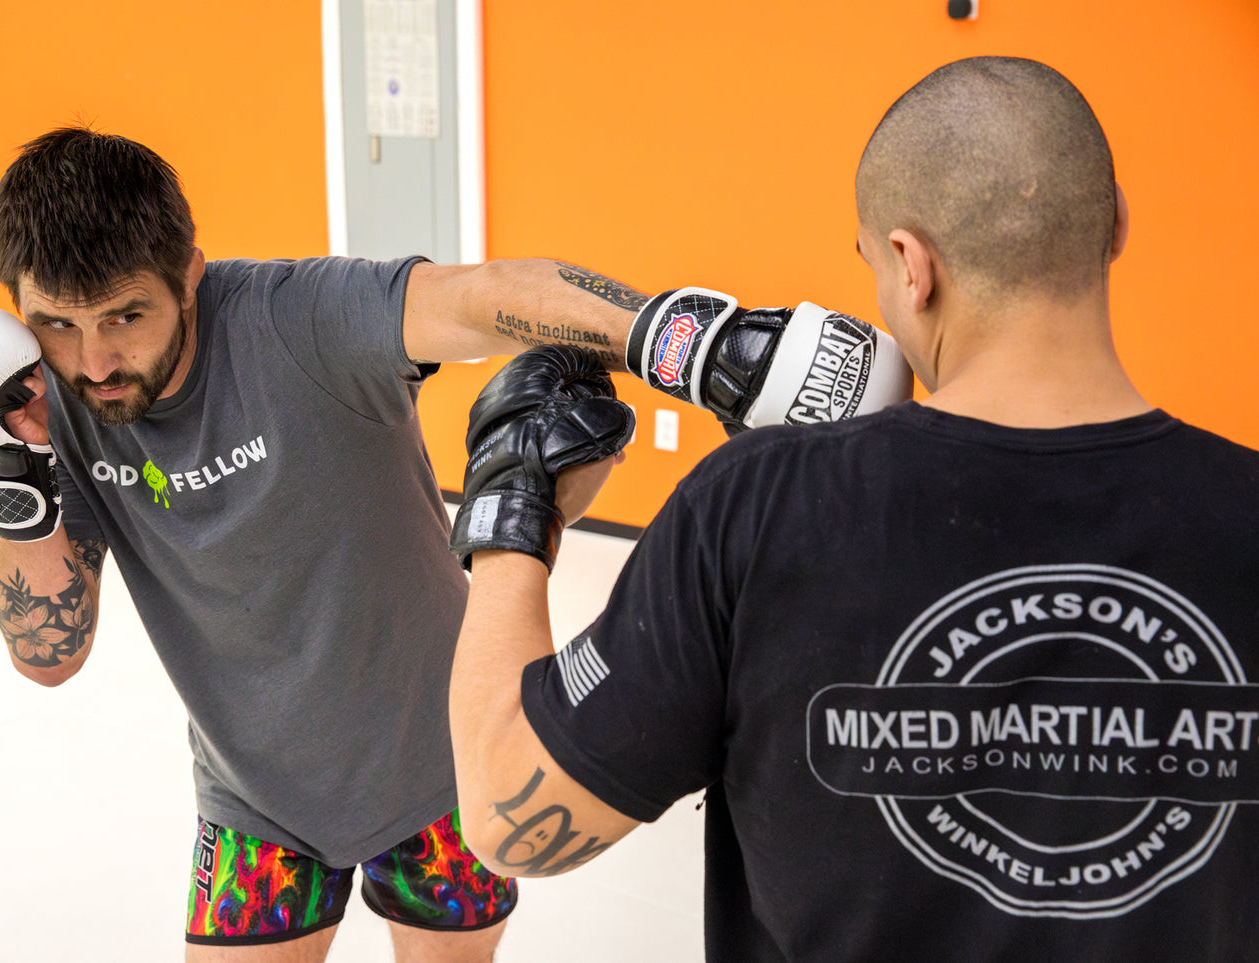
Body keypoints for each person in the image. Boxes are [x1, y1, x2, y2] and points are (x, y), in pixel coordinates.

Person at [0, 126, 911, 961]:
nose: (95, 361)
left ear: (188, 274)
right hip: (254, 798)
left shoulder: (290, 319)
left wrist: (686, 345)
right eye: (56, 325)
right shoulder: (53, 412)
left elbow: (479, 295)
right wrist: (3, 472)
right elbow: (50, 657)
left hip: (441, 777)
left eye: (126, 316)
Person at [447, 56, 1259, 962]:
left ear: (911, 268)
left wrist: (515, 503)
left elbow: (502, 815)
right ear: (1115, 226)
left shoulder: (755, 507)